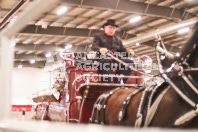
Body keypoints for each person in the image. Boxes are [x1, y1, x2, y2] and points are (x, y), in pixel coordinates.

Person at [91, 19, 134, 83]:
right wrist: (100, 49)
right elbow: (94, 46)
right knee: (107, 60)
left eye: (114, 28)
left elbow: (123, 52)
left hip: (115, 58)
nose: (112, 30)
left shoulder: (117, 39)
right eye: (110, 27)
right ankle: (110, 83)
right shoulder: (98, 36)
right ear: (105, 27)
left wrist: (129, 53)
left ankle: (121, 83)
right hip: (102, 57)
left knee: (129, 62)